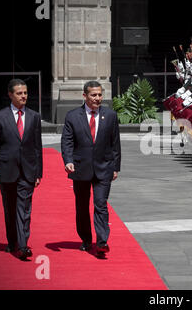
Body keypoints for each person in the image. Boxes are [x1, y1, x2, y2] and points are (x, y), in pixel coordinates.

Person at [61, 81, 121, 258]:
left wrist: (116, 167)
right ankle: (86, 239)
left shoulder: (110, 115)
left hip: (104, 168)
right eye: (94, 95)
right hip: (80, 168)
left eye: (100, 95)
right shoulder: (73, 116)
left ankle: (102, 242)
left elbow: (115, 144)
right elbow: (67, 141)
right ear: (85, 96)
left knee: (100, 204)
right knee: (81, 206)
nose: (98, 98)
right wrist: (68, 160)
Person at [0, 79, 43, 260]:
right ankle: (12, 242)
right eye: (19, 93)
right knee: (10, 209)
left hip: (27, 171)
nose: (24, 96)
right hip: (6, 170)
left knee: (24, 209)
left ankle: (23, 245)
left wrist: (38, 172)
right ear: (10, 95)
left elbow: (37, 147)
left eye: (25, 92)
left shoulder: (34, 116)